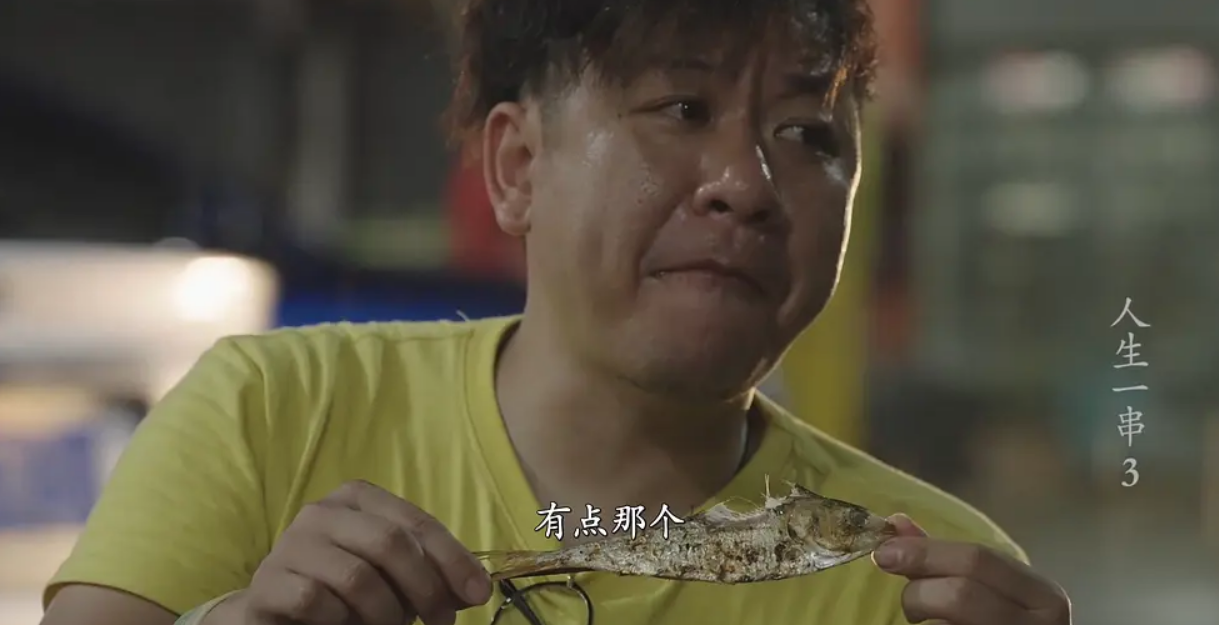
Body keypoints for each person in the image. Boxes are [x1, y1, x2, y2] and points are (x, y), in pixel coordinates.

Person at [40, 1, 1074, 624]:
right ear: (517, 166)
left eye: (809, 135)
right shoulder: (271, 413)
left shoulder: (931, 581)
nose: (746, 184)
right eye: (682, 109)